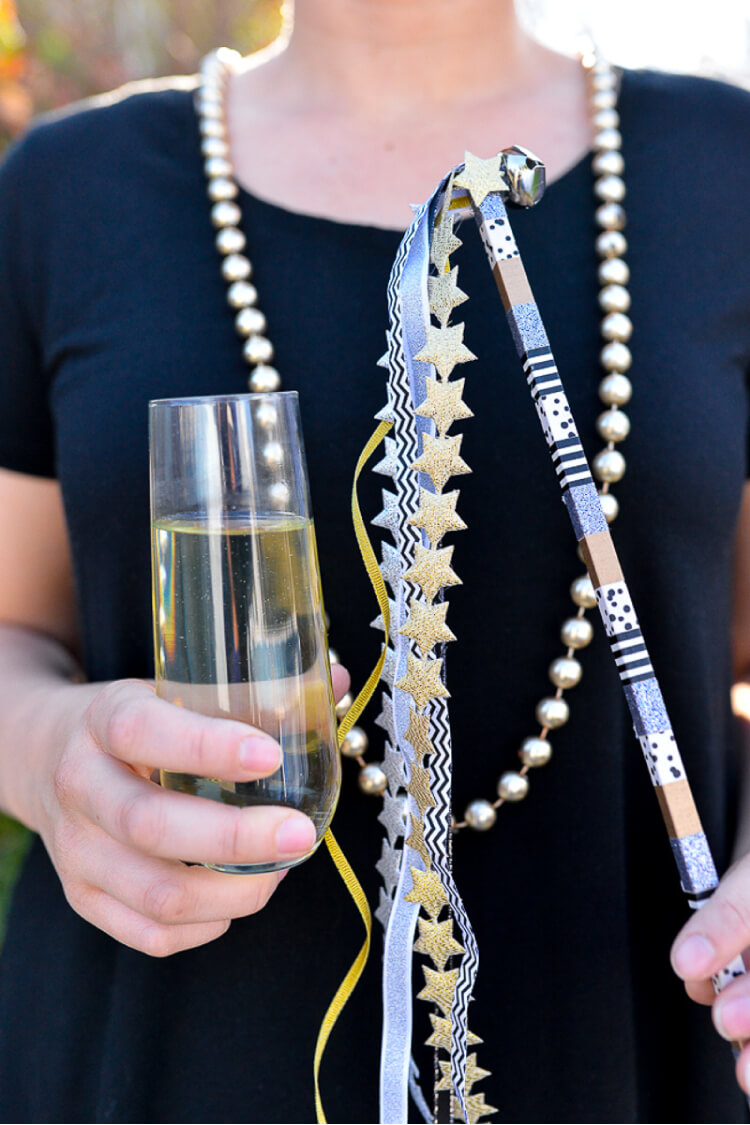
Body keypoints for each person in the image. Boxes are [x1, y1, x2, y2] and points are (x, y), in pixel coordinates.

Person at [0, 0, 748, 1120]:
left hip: (645, 1039)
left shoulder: (725, 166)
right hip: (155, 1062)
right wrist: (45, 752)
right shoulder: (65, 189)